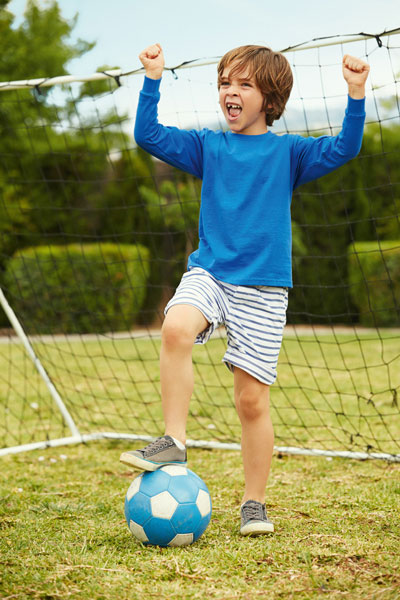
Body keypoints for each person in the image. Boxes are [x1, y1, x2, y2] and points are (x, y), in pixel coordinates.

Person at [120, 43, 369, 536]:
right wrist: (152, 80)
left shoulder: (289, 152)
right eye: (225, 84)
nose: (230, 92)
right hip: (210, 273)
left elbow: (345, 147)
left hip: (264, 289)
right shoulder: (208, 147)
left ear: (269, 97)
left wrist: (356, 94)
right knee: (175, 328)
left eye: (244, 85)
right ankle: (173, 439)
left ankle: (253, 503)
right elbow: (146, 134)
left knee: (251, 402)